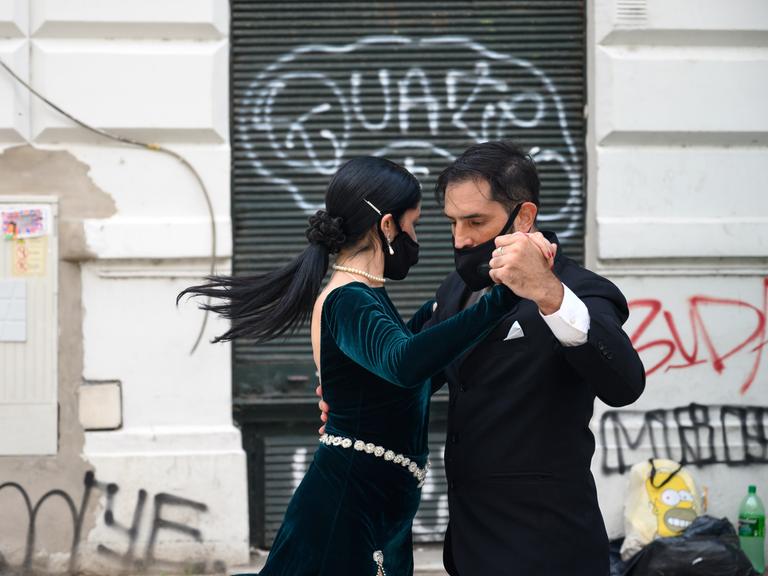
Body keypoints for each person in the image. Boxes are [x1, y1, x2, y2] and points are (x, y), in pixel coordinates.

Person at [179, 156, 525, 576]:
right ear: (386, 226)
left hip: (375, 507)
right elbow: (404, 363)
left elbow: (407, 373)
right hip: (345, 510)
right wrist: (500, 299)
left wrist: (448, 307)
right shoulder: (349, 299)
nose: (417, 239)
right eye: (413, 225)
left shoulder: (367, 296)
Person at [317, 142, 646, 575]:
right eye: (453, 222)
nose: (461, 239)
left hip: (548, 549)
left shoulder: (581, 291)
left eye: (476, 222)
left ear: (524, 217)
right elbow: (407, 373)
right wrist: (350, 401)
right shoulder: (454, 290)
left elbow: (625, 384)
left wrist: (548, 293)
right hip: (469, 547)